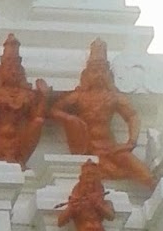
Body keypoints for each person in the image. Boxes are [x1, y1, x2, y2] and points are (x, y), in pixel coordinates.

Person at [50, 39, 157, 189]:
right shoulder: (79, 96)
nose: (99, 75)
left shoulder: (113, 97)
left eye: (102, 71)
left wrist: (131, 142)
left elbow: (132, 116)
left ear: (108, 74)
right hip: (87, 147)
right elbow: (54, 110)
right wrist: (69, 118)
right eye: (94, 71)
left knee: (132, 164)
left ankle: (154, 185)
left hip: (109, 148)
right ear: (87, 74)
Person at [0, 34, 50, 165]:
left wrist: (44, 97)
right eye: (9, 68)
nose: (13, 72)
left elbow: (37, 117)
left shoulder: (26, 95)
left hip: (18, 142)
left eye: (15, 68)